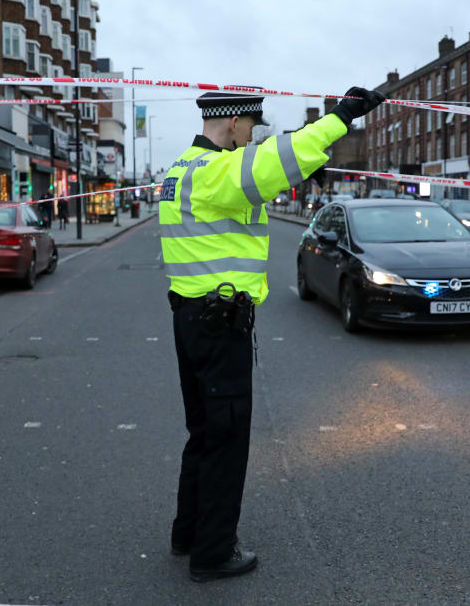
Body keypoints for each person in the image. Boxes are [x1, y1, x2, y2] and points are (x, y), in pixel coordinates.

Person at [159, 87, 385, 582]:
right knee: (226, 437)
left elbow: (274, 158)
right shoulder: (219, 171)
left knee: (203, 432)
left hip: (190, 318)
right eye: (251, 129)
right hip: (220, 325)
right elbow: (286, 156)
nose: (253, 138)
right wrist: (342, 116)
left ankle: (188, 532)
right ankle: (213, 553)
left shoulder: (180, 169)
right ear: (234, 123)